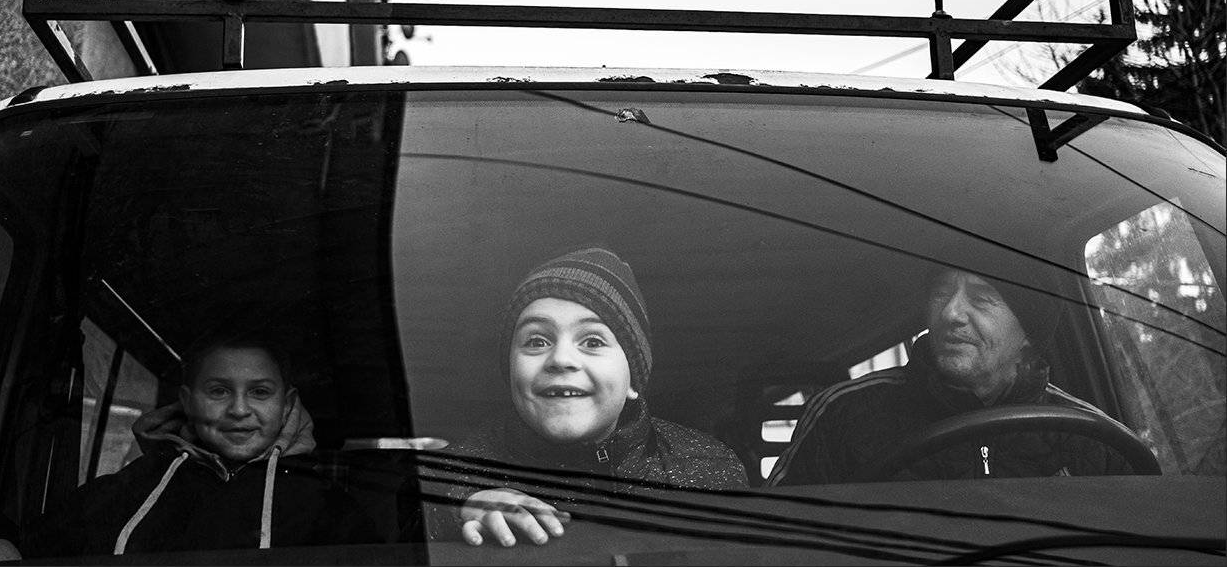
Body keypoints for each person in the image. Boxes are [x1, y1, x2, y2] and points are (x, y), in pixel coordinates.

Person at [437, 246, 749, 548]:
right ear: (511, 374)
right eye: (536, 340)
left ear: (634, 381)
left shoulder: (708, 465)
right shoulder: (451, 470)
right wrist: (461, 507)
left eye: (593, 341)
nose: (561, 358)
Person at [0, 332, 380, 558]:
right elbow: (18, 541)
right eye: (218, 391)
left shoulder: (327, 509)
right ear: (188, 400)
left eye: (260, 392)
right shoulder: (132, 487)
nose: (239, 409)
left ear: (287, 405)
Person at [765, 268, 1134, 486]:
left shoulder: (1094, 436)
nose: (952, 312)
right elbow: (772, 543)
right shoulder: (842, 414)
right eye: (942, 293)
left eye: (982, 298)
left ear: (1028, 334)